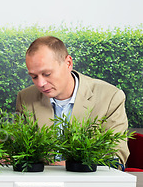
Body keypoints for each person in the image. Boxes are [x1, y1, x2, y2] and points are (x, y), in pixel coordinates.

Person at [16, 36, 129, 164]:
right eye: (34, 76)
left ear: (68, 63)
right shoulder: (25, 97)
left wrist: (68, 167)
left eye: (47, 74)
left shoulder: (110, 97)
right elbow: (21, 152)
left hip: (89, 181)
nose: (41, 83)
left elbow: (115, 158)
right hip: (42, 182)